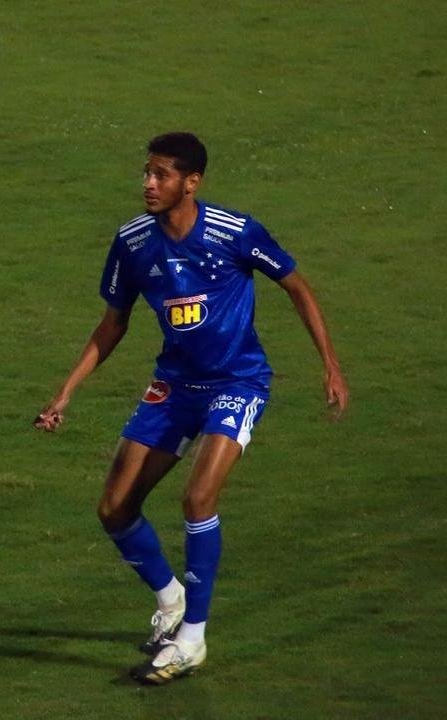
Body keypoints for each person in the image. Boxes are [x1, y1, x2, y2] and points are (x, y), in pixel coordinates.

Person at [33, 133, 349, 684]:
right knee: (114, 508)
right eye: (147, 172)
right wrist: (66, 391)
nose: (148, 184)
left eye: (161, 175)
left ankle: (193, 639)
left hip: (237, 381)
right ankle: (171, 598)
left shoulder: (235, 231)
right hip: (174, 386)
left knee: (199, 497)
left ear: (191, 182)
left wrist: (331, 365)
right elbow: (113, 323)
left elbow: (297, 286)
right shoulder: (133, 242)